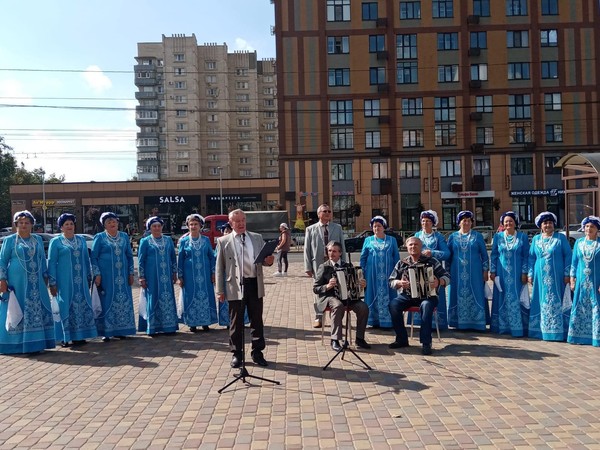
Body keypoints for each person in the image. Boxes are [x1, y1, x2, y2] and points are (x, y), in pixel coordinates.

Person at [215, 209, 275, 368]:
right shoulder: (223, 241)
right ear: (231, 223)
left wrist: (269, 261)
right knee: (236, 321)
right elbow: (219, 267)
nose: (241, 223)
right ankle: (237, 354)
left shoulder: (256, 238)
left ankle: (257, 352)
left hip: (254, 282)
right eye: (237, 221)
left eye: (243, 220)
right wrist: (220, 290)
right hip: (235, 285)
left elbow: (264, 260)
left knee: (257, 320)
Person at [0, 211, 55, 354]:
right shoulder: (10, 240)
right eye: (20, 223)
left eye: (27, 223)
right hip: (17, 282)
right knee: (17, 308)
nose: (23, 225)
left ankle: (36, 343)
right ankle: (15, 345)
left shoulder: (37, 239)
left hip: (36, 282)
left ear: (32, 224)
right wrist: (2, 280)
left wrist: (45, 277)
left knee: (37, 308)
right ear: (16, 224)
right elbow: (2, 261)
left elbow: (42, 259)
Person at [388, 237, 450, 355]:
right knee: (393, 305)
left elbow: (447, 276)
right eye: (410, 245)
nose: (413, 247)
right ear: (407, 247)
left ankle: (426, 343)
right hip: (407, 296)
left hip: (428, 297)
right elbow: (391, 280)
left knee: (426, 306)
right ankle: (401, 339)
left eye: (416, 244)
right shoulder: (402, 263)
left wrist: (439, 282)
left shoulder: (431, 261)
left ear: (421, 247)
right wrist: (399, 283)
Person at [47, 213, 97, 347]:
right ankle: (64, 337)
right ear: (61, 227)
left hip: (81, 281)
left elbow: (86, 259)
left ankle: (79, 336)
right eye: (66, 224)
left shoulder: (81, 240)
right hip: (64, 281)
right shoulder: (56, 242)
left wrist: (88, 277)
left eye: (71, 224)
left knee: (81, 305)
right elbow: (51, 263)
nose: (69, 226)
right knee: (65, 306)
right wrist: (52, 282)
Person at [313, 241, 370, 351]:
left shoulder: (348, 266)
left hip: (348, 297)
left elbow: (357, 286)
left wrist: (363, 285)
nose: (331, 253)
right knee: (338, 305)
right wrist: (328, 286)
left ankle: (359, 338)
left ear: (340, 253)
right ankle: (335, 339)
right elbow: (316, 288)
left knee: (363, 307)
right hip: (330, 297)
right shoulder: (324, 267)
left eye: (334, 251)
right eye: (329, 251)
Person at [91, 212, 136, 341]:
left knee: (122, 301)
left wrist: (131, 273)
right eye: (108, 222)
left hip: (122, 276)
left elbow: (129, 256)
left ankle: (122, 329)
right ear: (104, 225)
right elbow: (94, 257)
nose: (112, 224)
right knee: (106, 301)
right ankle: (107, 331)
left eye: (114, 222)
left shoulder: (124, 236)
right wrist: (97, 274)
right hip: (106, 276)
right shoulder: (99, 237)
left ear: (117, 223)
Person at [527, 212, 572, 341]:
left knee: (556, 299)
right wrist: (530, 273)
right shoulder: (536, 239)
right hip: (540, 277)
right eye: (545, 223)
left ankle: (557, 332)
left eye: (550, 223)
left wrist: (566, 273)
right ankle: (540, 331)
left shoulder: (560, 238)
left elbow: (568, 255)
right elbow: (531, 257)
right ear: (541, 225)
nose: (548, 225)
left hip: (557, 277)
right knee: (540, 299)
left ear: (554, 224)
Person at [304, 204, 346, 328]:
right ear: (318, 214)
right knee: (318, 292)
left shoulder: (337, 228)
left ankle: (336, 318)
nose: (327, 213)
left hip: (335, 265)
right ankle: (319, 318)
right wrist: (308, 267)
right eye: (324, 211)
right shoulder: (310, 229)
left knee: (337, 290)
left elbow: (342, 246)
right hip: (318, 265)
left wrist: (343, 263)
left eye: (329, 211)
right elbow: (307, 249)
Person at [447, 210, 490, 331]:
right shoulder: (453, 237)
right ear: (459, 223)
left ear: (471, 223)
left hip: (475, 272)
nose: (466, 223)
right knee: (456, 293)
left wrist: (485, 270)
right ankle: (457, 322)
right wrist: (447, 272)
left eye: (468, 221)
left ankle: (477, 321)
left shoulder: (477, 236)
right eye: (463, 220)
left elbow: (484, 255)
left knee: (476, 292)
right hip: (456, 272)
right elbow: (448, 255)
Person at [489, 211, 530, 336]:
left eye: (511, 221)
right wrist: (493, 270)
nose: (508, 223)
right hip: (501, 274)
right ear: (503, 223)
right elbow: (494, 254)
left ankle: (517, 327)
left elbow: (526, 256)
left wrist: (524, 272)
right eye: (506, 221)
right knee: (502, 298)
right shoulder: (498, 237)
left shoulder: (522, 237)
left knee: (516, 297)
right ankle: (502, 326)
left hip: (517, 274)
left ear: (515, 222)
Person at [137, 216, 178, 336]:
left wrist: (174, 273)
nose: (157, 228)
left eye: (159, 226)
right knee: (152, 298)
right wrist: (141, 277)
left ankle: (169, 326)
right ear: (149, 228)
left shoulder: (168, 240)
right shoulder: (145, 241)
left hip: (166, 276)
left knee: (167, 299)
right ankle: (153, 327)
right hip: (152, 276)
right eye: (154, 226)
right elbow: (141, 260)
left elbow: (172, 257)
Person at [177, 214, 218, 332]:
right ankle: (192, 323)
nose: (193, 226)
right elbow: (180, 258)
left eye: (196, 224)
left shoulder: (205, 240)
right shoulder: (184, 241)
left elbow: (211, 256)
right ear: (188, 226)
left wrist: (213, 272)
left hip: (204, 274)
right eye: (191, 224)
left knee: (206, 295)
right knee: (190, 296)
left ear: (200, 226)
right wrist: (180, 276)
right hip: (189, 275)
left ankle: (206, 322)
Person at [359, 216, 399, 328]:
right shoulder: (368, 240)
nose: (377, 228)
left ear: (384, 227)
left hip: (389, 273)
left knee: (389, 295)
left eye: (379, 226)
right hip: (371, 274)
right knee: (371, 293)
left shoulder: (392, 240)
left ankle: (388, 321)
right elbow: (363, 257)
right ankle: (373, 320)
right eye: (374, 226)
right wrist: (361, 272)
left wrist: (397, 273)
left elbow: (396, 257)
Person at [413, 210, 451, 330]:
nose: (425, 223)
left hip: (434, 271)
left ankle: (436, 323)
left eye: (428, 221)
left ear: (433, 223)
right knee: (418, 293)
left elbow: (447, 253)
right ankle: (420, 321)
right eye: (423, 221)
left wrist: (432, 253)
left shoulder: (438, 237)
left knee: (434, 293)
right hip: (418, 270)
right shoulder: (417, 236)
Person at [568, 216, 600, 346]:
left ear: (597, 229)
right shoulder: (579, 243)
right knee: (579, 305)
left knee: (596, 306)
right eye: (587, 226)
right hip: (581, 281)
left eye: (592, 227)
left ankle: (595, 337)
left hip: (596, 281)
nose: (589, 229)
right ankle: (578, 336)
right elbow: (574, 262)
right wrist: (572, 279)